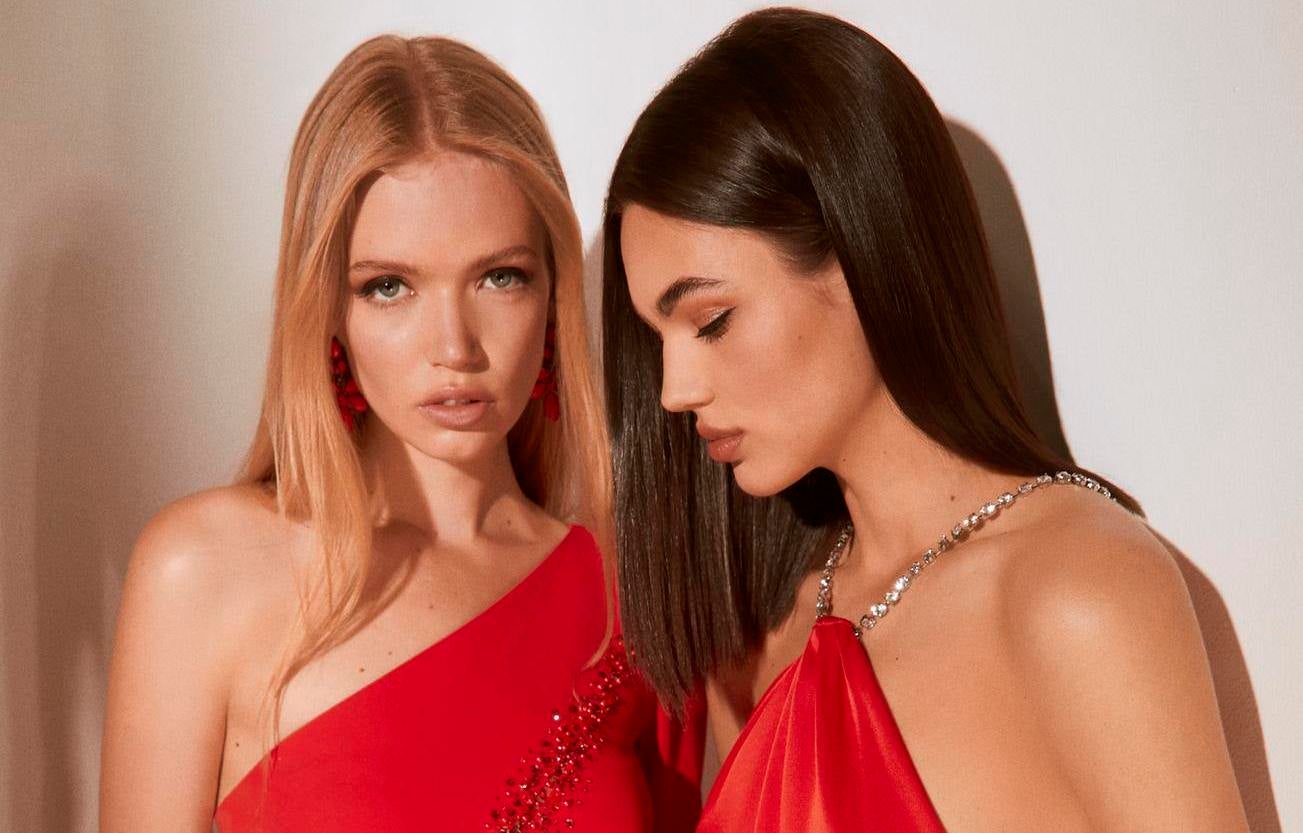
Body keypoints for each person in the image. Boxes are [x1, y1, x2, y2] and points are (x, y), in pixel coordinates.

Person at [601, 8, 1249, 832]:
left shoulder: (1077, 591)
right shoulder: (764, 633)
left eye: (712, 319)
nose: (672, 390)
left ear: (861, 250)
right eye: (656, 339)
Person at [101, 34, 700, 833]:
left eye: (500, 277)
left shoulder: (630, 590)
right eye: (389, 287)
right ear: (330, 311)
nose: (454, 346)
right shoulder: (205, 571)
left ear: (553, 293)